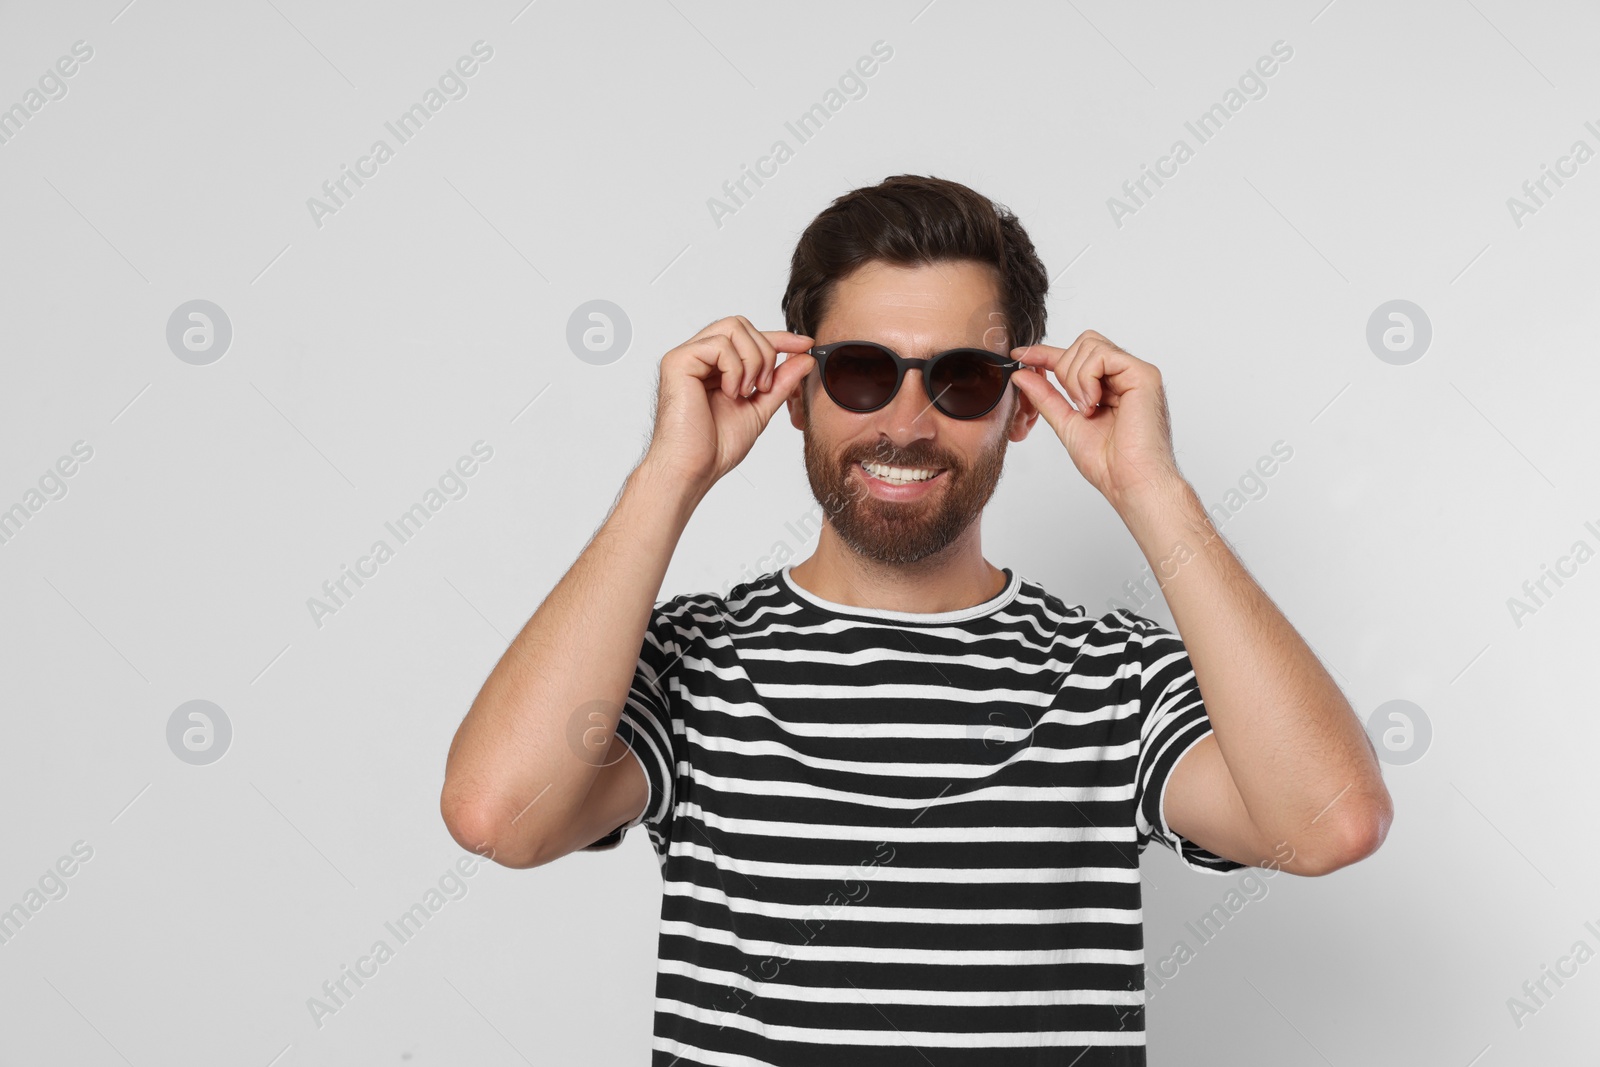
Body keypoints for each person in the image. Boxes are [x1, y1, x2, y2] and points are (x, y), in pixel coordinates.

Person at [440, 174, 1393, 1066]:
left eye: (963, 378)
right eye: (859, 371)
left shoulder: (1111, 677)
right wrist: (667, 478)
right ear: (797, 393)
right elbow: (498, 816)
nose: (905, 421)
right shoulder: (693, 664)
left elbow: (1328, 822)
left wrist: (1151, 489)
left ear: (1021, 410)